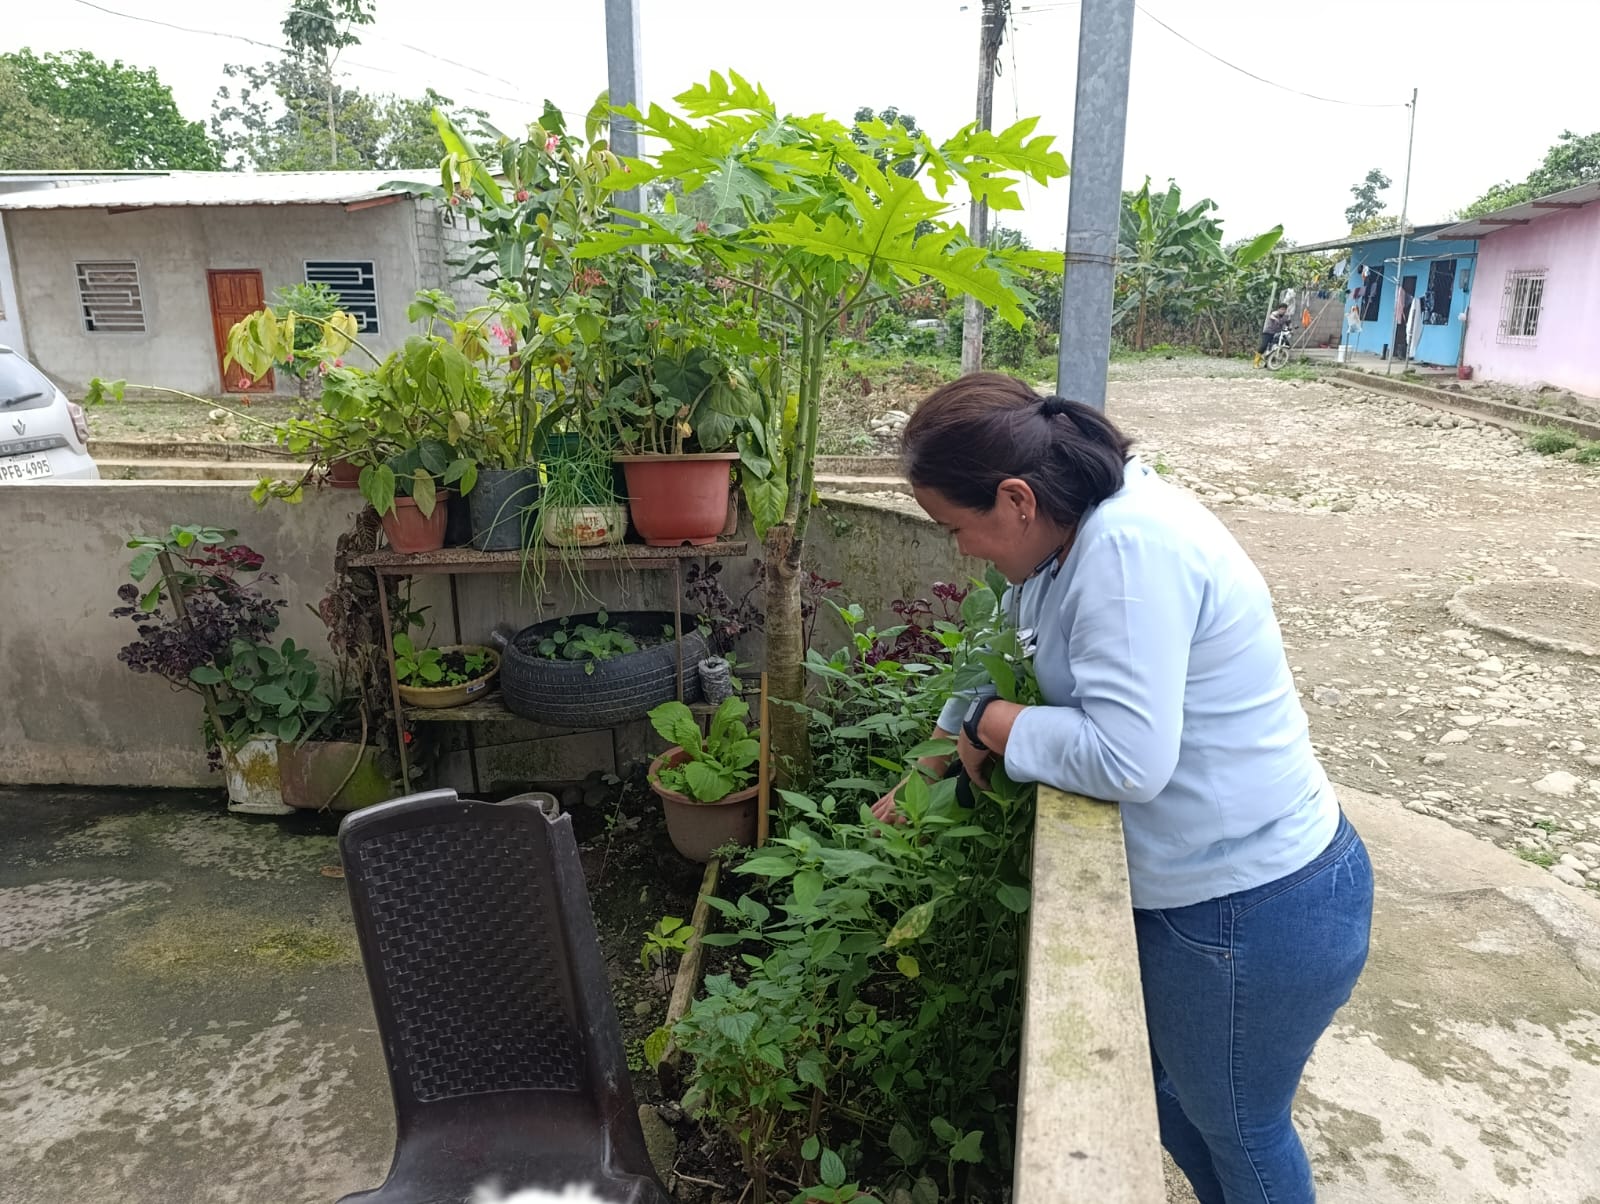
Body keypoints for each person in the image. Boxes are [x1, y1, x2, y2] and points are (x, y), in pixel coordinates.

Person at [875, 373, 1374, 1204]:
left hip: (1252, 905)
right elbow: (992, 652)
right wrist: (929, 764)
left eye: (957, 527)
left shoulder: (1128, 549)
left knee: (1242, 1132)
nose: (960, 550)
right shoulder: (1063, 539)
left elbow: (1127, 759)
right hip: (1217, 894)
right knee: (1188, 1109)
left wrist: (994, 724)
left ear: (1016, 499)